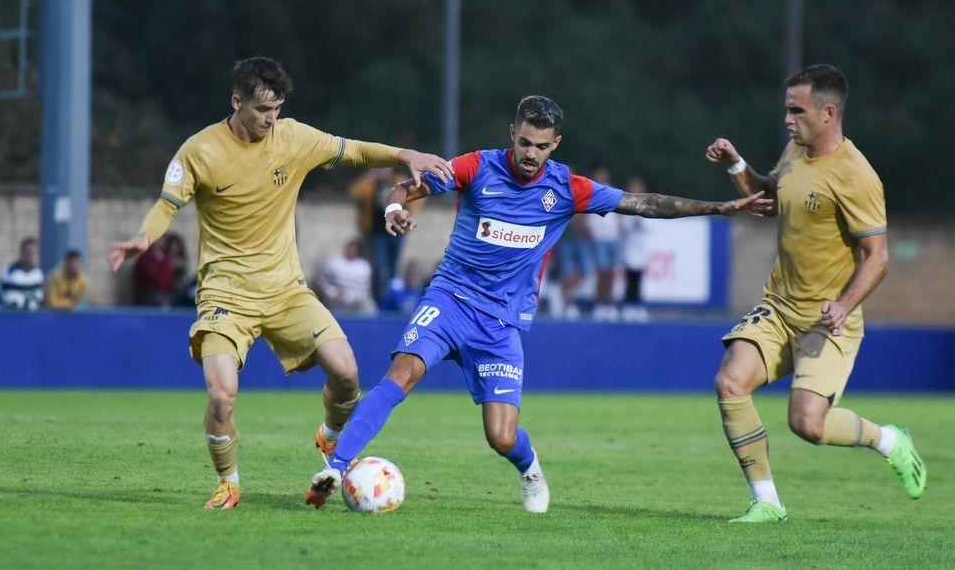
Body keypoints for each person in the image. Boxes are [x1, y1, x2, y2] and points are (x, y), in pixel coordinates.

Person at [305, 95, 771, 512]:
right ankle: (338, 464)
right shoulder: (476, 166)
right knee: (401, 373)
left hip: (502, 324)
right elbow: (408, 187)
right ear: (513, 133)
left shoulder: (568, 189)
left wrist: (717, 208)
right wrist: (394, 207)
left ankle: (529, 468)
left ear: (556, 144)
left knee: (501, 436)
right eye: (525, 142)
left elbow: (642, 203)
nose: (531, 154)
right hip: (449, 298)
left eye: (541, 146)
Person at [106, 56, 451, 511]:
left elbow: (354, 151)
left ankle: (329, 437)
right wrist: (142, 238)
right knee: (222, 395)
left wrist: (403, 155)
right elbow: (166, 206)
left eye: (278, 109)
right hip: (225, 295)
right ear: (237, 102)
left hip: (286, 290)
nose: (272, 119)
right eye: (263, 109)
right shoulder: (199, 151)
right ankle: (228, 482)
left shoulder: (293, 138)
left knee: (347, 372)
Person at [705, 64, 926, 523]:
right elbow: (769, 198)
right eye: (787, 109)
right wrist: (737, 166)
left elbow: (878, 256)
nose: (788, 119)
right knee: (730, 382)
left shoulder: (856, 175)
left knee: (807, 424)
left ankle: (889, 440)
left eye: (796, 110)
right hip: (779, 306)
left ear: (829, 112)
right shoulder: (794, 150)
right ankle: (767, 502)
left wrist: (843, 306)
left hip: (827, 321)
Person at [350, 167, 422, 302]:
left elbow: (416, 194)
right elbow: (356, 191)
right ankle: (379, 300)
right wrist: (370, 178)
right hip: (377, 233)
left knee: (394, 267)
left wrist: (409, 214)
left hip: (398, 232)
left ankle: (392, 300)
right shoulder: (371, 184)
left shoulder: (399, 180)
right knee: (379, 267)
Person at [585, 164, 622, 320]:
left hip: (613, 238)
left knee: (611, 274)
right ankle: (600, 304)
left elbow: (619, 214)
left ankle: (610, 304)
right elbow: (588, 218)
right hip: (600, 239)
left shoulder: (613, 192)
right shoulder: (591, 193)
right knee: (601, 273)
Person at [617, 176, 652, 322]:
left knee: (638, 279)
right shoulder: (626, 206)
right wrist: (632, 225)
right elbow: (622, 227)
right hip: (628, 248)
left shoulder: (647, 206)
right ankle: (628, 306)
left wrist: (640, 224)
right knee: (629, 278)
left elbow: (649, 226)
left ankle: (637, 305)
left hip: (640, 248)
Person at [316, 239, 374, 314]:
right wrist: (331, 293)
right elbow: (322, 280)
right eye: (349, 249)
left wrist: (354, 298)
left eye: (353, 250)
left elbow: (366, 289)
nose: (351, 251)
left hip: (358, 306)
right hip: (337, 303)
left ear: (357, 251)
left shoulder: (364, 266)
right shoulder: (334, 263)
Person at [0, 237, 44, 310]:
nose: (31, 255)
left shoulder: (38, 273)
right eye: (28, 252)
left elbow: (37, 296)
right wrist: (27, 303)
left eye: (34, 252)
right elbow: (8, 299)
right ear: (21, 252)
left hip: (22, 312)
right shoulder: (10, 272)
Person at [133, 238, 175, 308]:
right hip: (149, 296)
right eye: (157, 239)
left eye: (161, 239)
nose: (159, 242)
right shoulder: (144, 258)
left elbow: (169, 278)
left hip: (165, 295)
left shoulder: (166, 258)